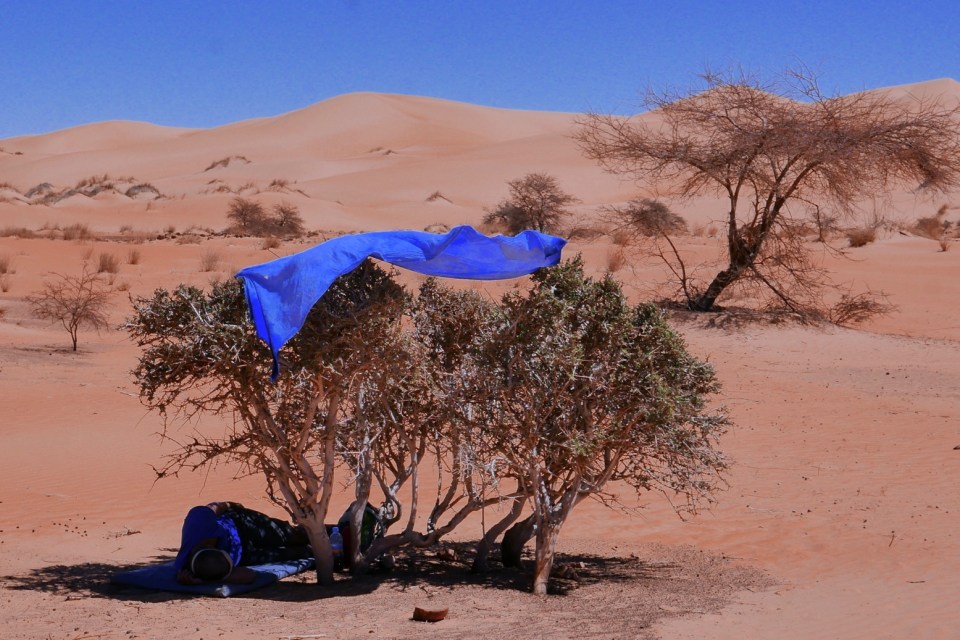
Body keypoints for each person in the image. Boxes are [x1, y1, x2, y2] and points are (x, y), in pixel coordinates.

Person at [173, 501, 311, 584]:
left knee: (295, 535)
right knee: (299, 554)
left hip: (244, 524)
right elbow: (249, 576)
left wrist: (235, 506)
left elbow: (216, 506)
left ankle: (321, 531)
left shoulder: (199, 521)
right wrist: (207, 580)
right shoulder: (190, 569)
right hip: (245, 555)